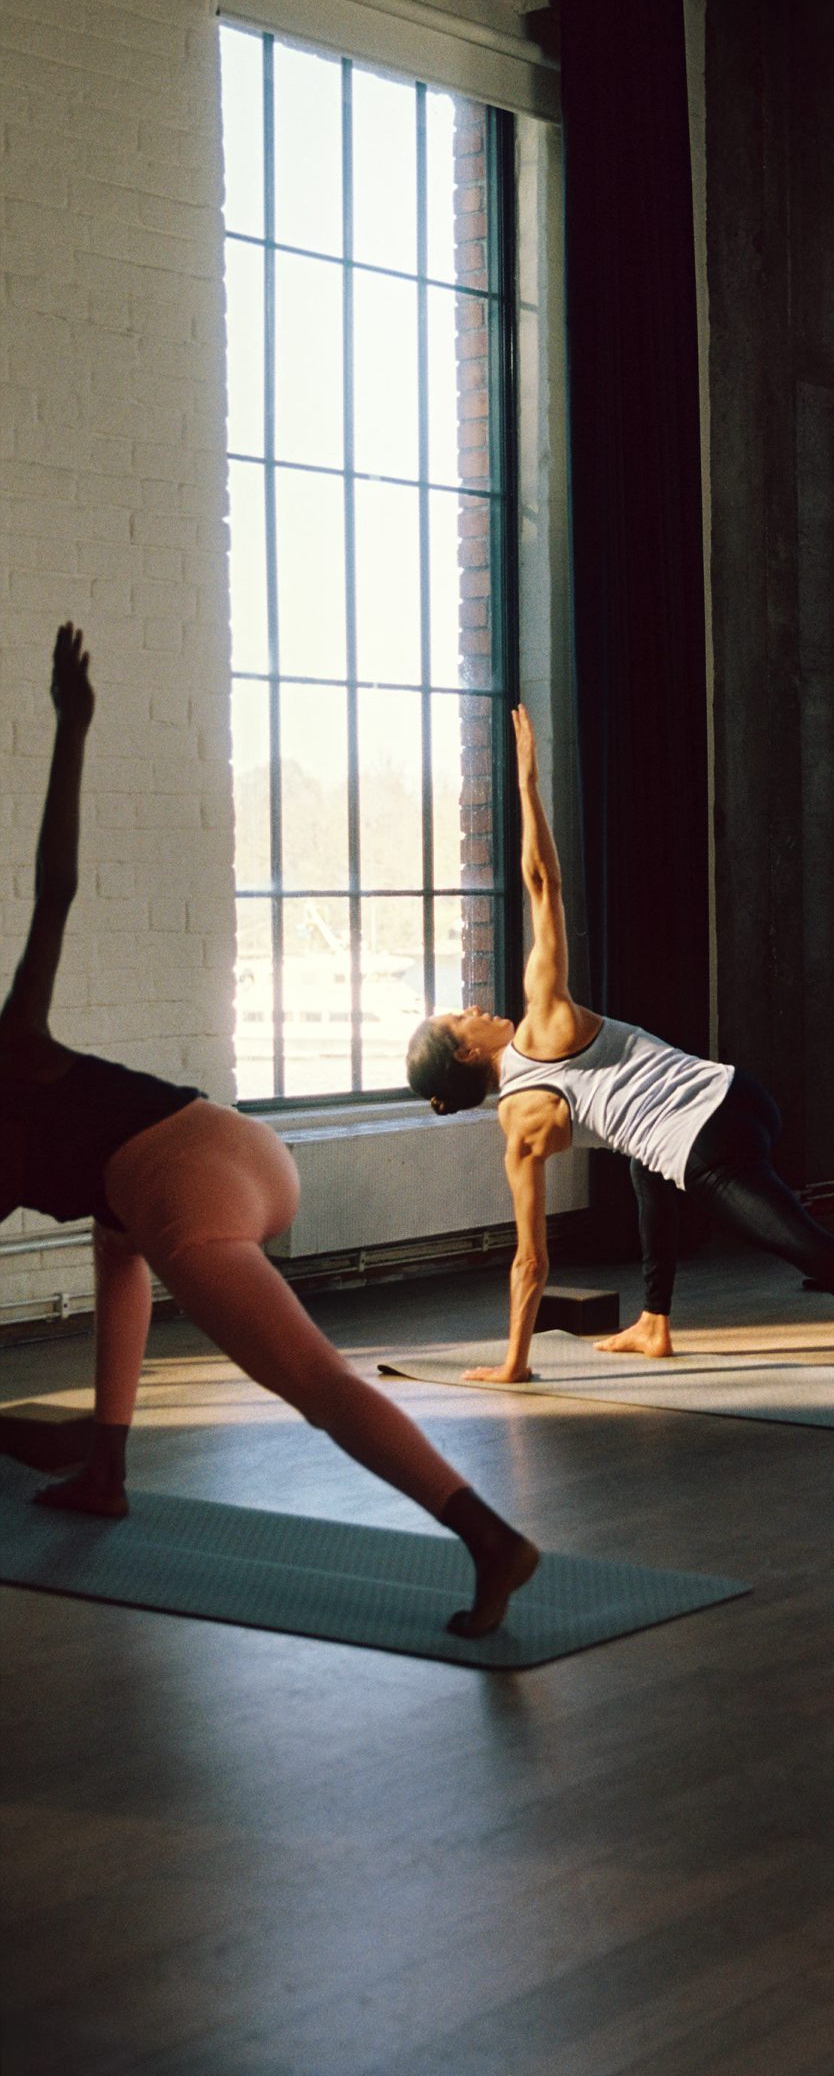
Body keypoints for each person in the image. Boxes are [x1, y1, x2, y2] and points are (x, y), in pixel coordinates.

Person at [0, 627, 535, 1639]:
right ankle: (106, 1463)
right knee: (115, 1235)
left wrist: (74, 730)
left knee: (312, 1381)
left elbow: (56, 888)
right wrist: (70, 727)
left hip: (186, 1191)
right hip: (236, 1144)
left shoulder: (9, 1052)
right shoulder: (15, 1045)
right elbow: (55, 898)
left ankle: (488, 1536)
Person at [406, 706, 834, 1425]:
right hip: (738, 1094)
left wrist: (516, 1360)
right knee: (643, 1158)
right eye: (460, 1019)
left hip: (708, 1141)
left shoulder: (519, 1124)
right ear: (466, 1052)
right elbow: (543, 883)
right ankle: (654, 1321)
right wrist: (526, 783)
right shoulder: (541, 1023)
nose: (472, 1008)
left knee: (804, 1245)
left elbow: (530, 1260)